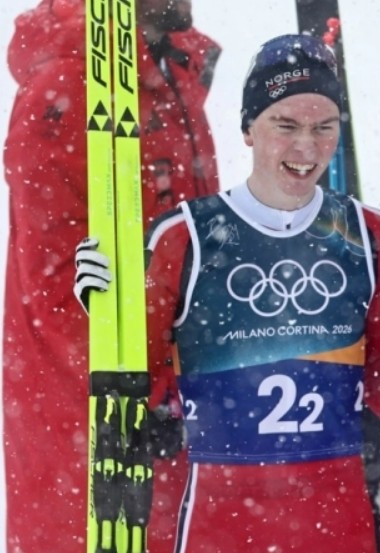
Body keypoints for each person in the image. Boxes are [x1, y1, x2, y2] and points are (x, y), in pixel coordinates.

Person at [74, 33, 380, 552]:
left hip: (337, 519)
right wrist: (106, 314)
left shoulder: (369, 236)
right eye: (285, 125)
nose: (306, 148)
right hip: (222, 520)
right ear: (248, 128)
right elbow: (142, 380)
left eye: (324, 127)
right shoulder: (185, 237)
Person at [3, 0, 220, 550]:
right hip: (92, 433)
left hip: (175, 413)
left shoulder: (172, 70)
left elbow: (193, 249)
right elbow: (59, 287)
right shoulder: (64, 90)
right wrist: (153, 392)